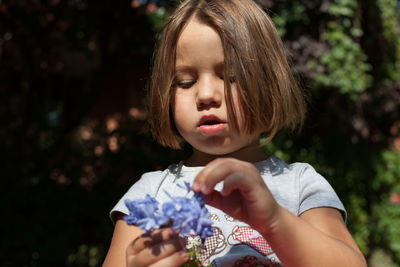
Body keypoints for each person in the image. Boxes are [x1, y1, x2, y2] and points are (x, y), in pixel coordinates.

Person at [103, 0, 367, 266]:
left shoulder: (300, 185)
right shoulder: (150, 194)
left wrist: (274, 220)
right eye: (186, 82)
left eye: (230, 76)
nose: (206, 95)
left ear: (270, 87)